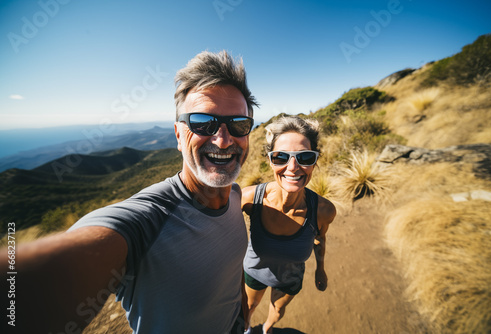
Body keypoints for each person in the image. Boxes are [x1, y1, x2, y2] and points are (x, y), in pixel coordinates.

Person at [1, 50, 258, 334]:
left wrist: (243, 315)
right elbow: (40, 284)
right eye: (202, 123)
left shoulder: (235, 195)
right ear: (177, 135)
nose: (223, 140)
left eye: (238, 124)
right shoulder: (146, 221)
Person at [241, 116, 336, 334]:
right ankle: (246, 330)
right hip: (254, 271)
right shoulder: (248, 199)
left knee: (277, 311)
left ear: (315, 160)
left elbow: (320, 238)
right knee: (248, 307)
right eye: (281, 157)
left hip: (289, 278)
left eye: (304, 157)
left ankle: (266, 330)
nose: (293, 167)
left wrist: (320, 270)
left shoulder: (324, 211)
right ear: (270, 160)